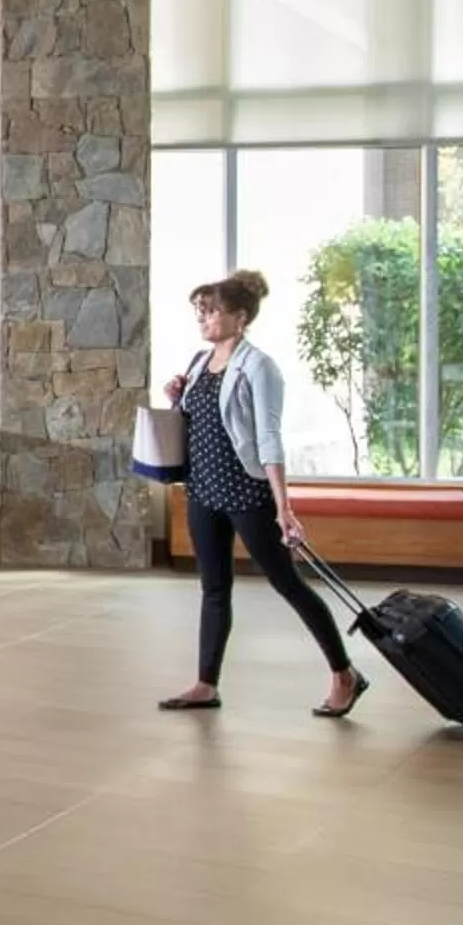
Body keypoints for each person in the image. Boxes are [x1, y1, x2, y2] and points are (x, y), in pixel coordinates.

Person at [155, 270, 368, 718]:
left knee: (286, 582)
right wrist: (178, 396)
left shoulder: (259, 366)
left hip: (246, 492)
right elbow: (203, 425)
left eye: (212, 310)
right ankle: (205, 684)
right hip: (204, 492)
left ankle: (344, 674)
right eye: (201, 310)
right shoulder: (198, 363)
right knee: (214, 588)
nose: (204, 317)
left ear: (241, 316)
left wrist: (283, 507)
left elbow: (268, 437)